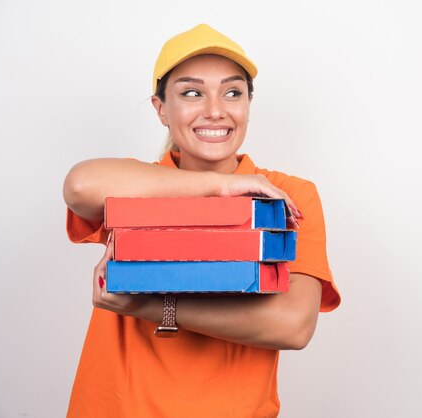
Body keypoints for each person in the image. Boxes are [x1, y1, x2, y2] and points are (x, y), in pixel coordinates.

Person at [63, 23, 341, 417]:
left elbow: (293, 326)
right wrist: (218, 186)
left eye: (232, 92)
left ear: (247, 106)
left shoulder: (287, 194)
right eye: (192, 92)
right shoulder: (139, 184)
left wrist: (150, 304)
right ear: (161, 109)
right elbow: (79, 185)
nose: (215, 110)